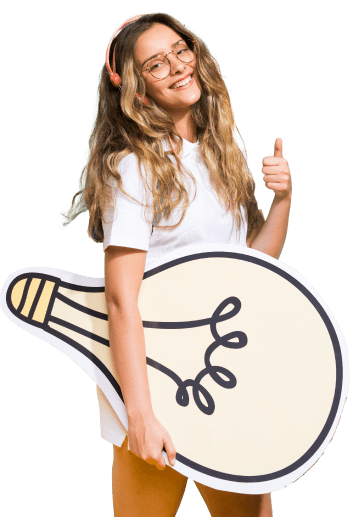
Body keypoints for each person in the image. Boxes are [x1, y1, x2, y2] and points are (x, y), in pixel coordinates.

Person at [61, 11, 291, 517]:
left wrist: (282, 201)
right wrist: (139, 414)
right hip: (157, 382)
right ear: (136, 90)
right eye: (157, 65)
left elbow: (250, 266)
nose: (178, 66)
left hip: (221, 372)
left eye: (180, 50)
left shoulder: (218, 154)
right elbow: (121, 298)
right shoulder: (133, 167)